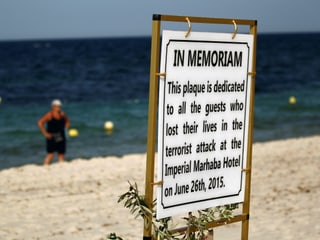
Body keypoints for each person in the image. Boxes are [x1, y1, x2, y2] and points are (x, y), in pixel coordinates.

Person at [38, 99, 70, 165]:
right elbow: (40, 122)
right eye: (57, 106)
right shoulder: (49, 114)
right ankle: (45, 166)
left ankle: (61, 167)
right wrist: (45, 133)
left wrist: (65, 130)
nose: (58, 107)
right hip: (52, 136)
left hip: (61, 136)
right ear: (53, 107)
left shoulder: (62, 114)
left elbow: (68, 122)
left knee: (61, 153)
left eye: (59, 106)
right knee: (51, 154)